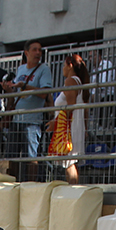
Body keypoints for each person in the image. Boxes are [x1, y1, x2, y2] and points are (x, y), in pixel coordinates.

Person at [11, 41, 53, 179]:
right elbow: (18, 91)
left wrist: (25, 87)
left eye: (40, 50)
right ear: (26, 53)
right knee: (13, 156)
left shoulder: (44, 69)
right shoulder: (21, 69)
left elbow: (45, 93)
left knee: (32, 156)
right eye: (34, 50)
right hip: (17, 118)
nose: (38, 53)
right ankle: (12, 185)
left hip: (33, 120)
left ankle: (31, 186)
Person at [49, 53, 90, 185]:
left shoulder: (70, 81)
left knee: (69, 162)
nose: (62, 68)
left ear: (70, 65)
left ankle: (72, 190)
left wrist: (55, 123)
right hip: (74, 124)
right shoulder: (79, 82)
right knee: (69, 162)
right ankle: (72, 188)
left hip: (68, 126)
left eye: (63, 65)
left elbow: (70, 106)